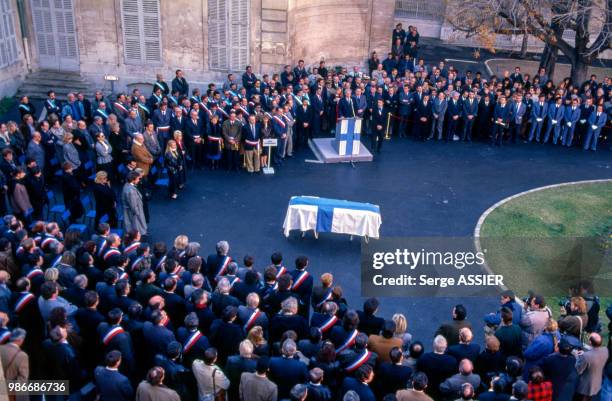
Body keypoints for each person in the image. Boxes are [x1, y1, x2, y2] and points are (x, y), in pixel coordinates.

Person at [575, 333, 608, 401]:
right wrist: (585, 353)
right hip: (597, 383)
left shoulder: (586, 356)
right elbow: (596, 355)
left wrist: (577, 357)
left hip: (585, 386)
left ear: (590, 342)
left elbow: (578, 370)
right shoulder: (605, 350)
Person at [121, 170, 147, 236]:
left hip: (131, 211)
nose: (139, 180)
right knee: (135, 226)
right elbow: (133, 205)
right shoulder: (131, 191)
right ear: (133, 180)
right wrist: (138, 213)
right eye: (138, 179)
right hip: (133, 213)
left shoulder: (127, 185)